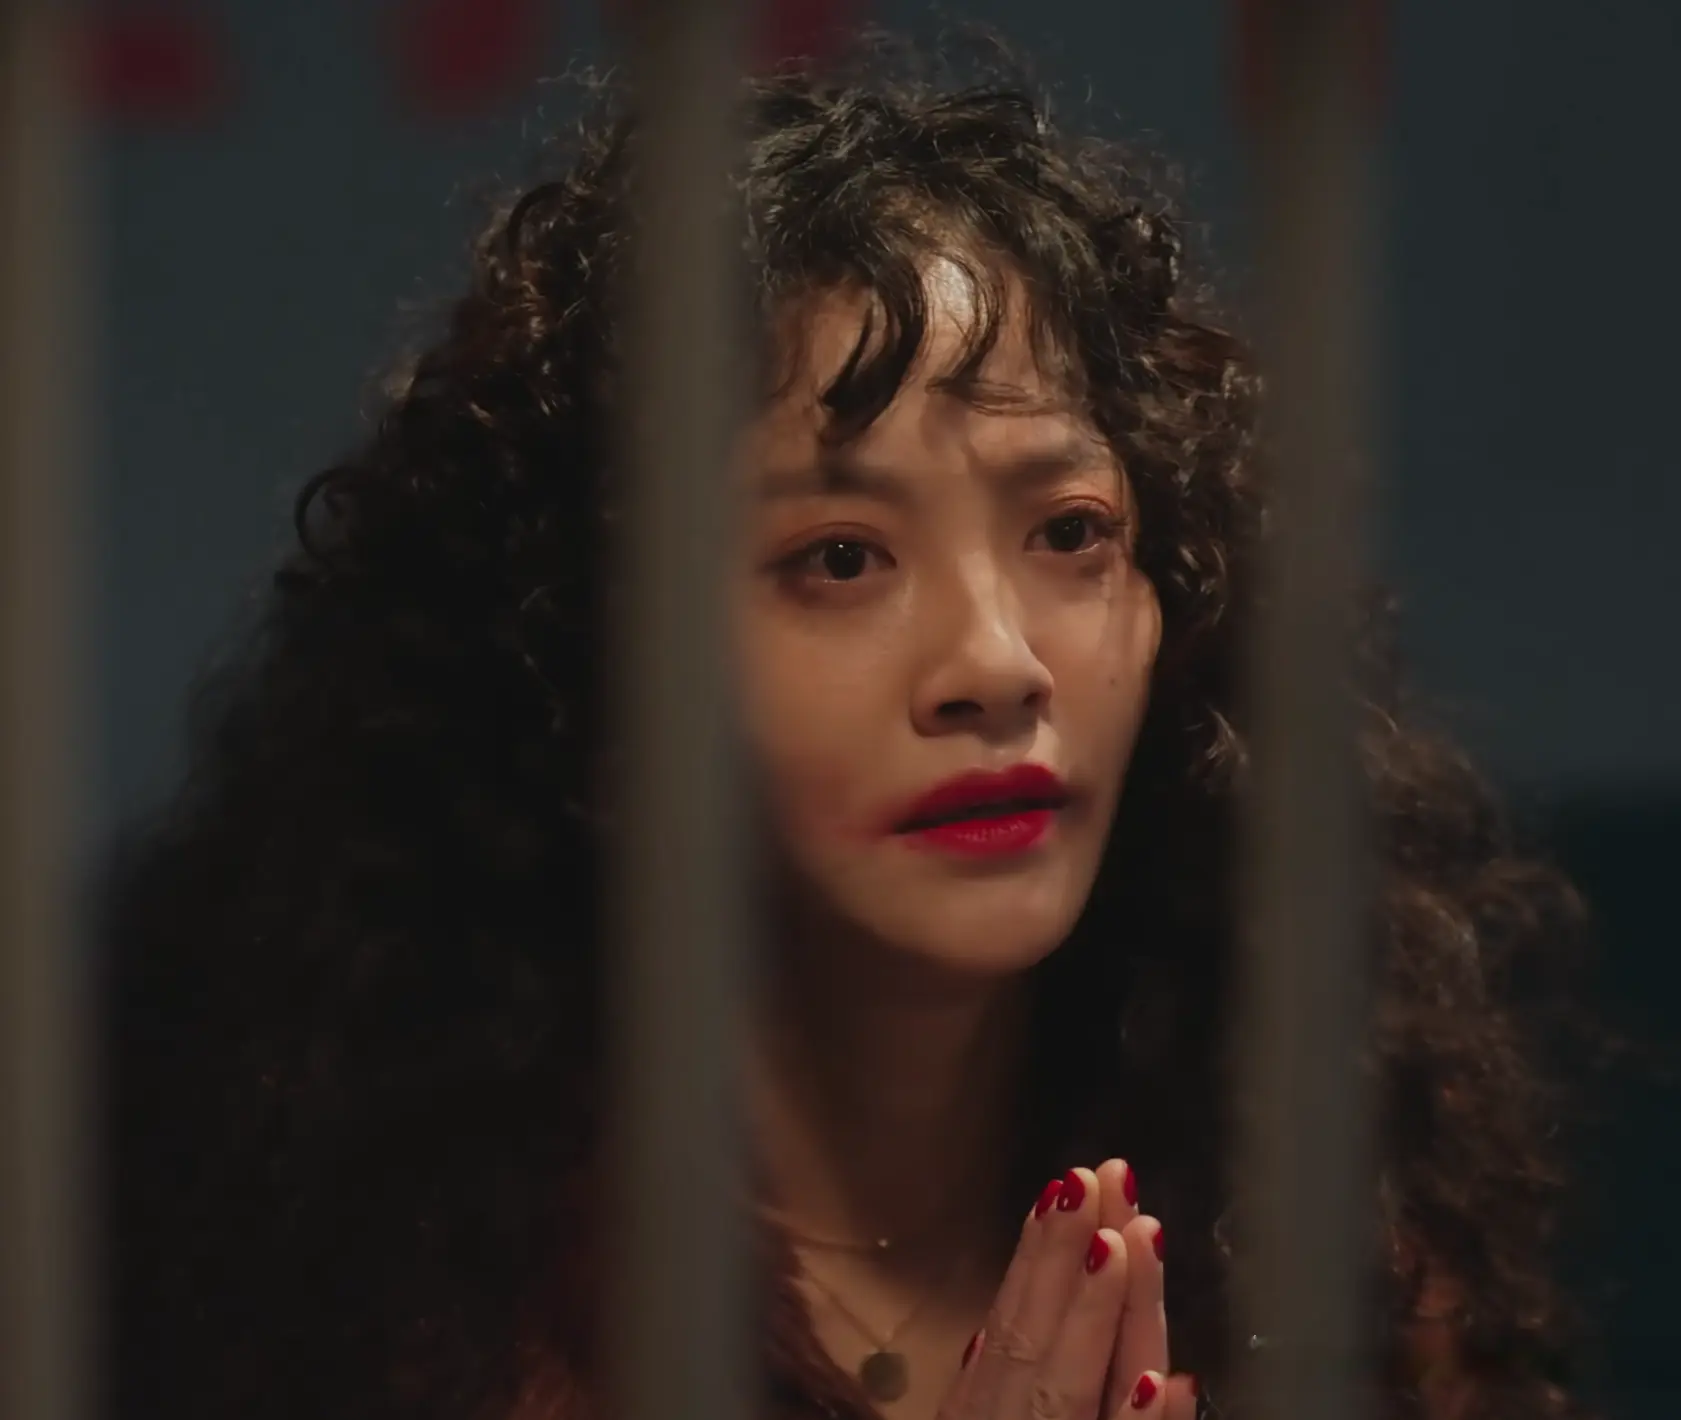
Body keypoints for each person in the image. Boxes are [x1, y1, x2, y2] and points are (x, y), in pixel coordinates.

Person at [101, 37, 1589, 1420]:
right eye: (840, 558)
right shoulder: (383, 1315)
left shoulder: (1335, 1245)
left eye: (1071, 531)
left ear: (1174, 613)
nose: (997, 663)